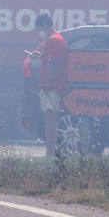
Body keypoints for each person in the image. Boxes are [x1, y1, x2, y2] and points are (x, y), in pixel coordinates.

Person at [33, 13, 69, 157]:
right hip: (56, 85)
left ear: (45, 25)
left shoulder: (53, 40)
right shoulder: (59, 39)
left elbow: (53, 64)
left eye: (39, 28)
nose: (39, 32)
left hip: (52, 88)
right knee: (51, 120)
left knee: (50, 121)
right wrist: (41, 56)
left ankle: (50, 152)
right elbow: (53, 59)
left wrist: (47, 84)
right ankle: (51, 151)